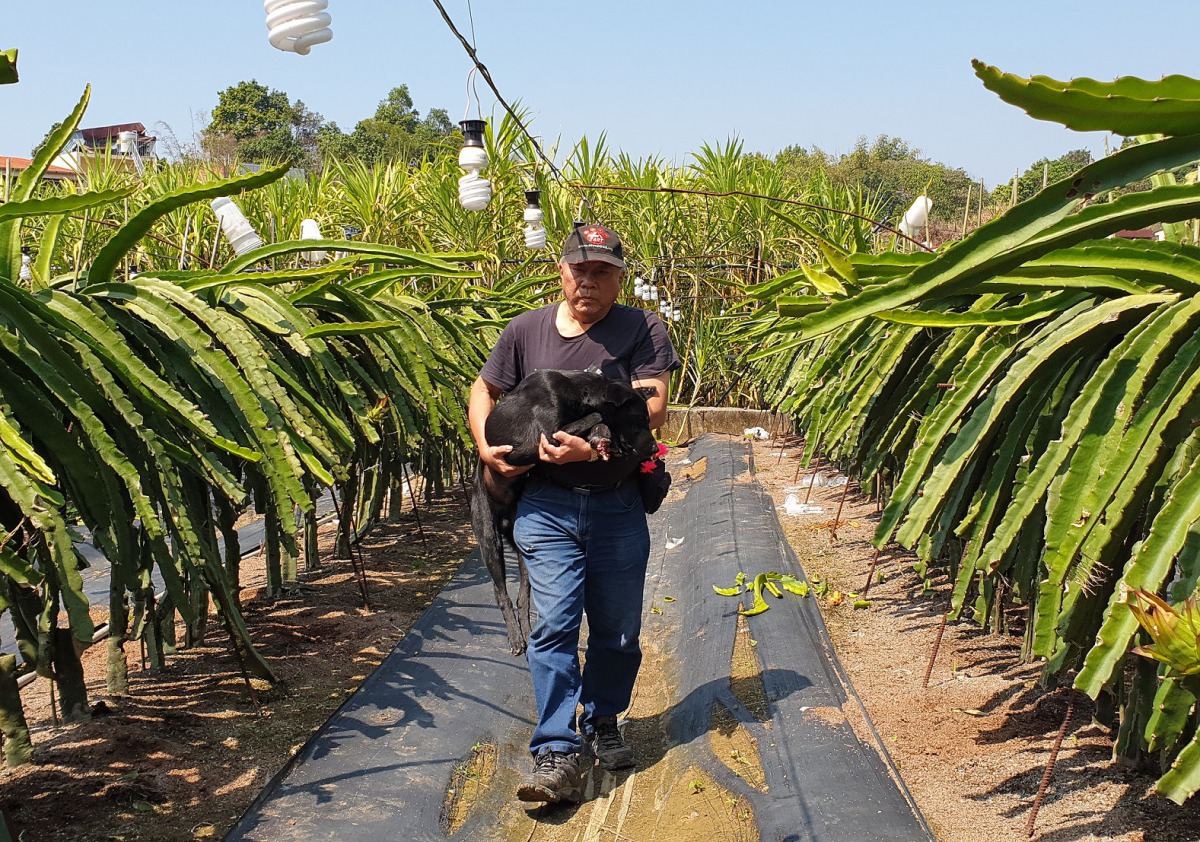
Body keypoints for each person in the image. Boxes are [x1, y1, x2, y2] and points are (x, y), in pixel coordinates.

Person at [467, 223, 680, 803]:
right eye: (578, 270)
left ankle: (603, 718)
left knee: (617, 629)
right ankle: (557, 749)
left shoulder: (639, 328)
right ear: (561, 271)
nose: (588, 281)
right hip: (547, 503)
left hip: (615, 503)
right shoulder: (526, 330)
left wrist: (598, 447)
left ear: (619, 277)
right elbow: (484, 387)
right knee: (554, 623)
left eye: (602, 271)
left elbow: (652, 405)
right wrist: (485, 444)